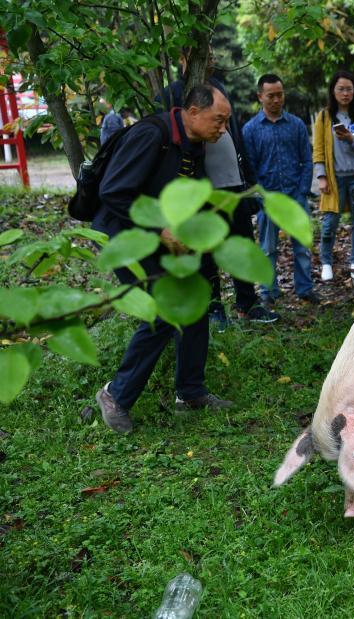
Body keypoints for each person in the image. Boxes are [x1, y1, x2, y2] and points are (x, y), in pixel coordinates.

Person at [92, 85, 236, 434]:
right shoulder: (149, 135)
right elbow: (112, 192)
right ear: (193, 112)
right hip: (124, 235)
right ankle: (115, 396)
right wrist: (160, 231)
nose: (224, 129)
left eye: (227, 122)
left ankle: (190, 392)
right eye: (219, 120)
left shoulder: (194, 143)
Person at [160, 47, 278, 329]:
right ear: (182, 59)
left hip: (233, 185)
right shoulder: (172, 94)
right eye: (204, 55)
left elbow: (235, 136)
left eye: (212, 56)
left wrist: (248, 178)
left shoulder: (218, 88)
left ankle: (247, 302)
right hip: (201, 189)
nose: (210, 60)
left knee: (242, 243)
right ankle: (213, 305)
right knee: (206, 248)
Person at [242, 74, 321, 304]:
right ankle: (268, 292)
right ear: (260, 97)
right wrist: (261, 196)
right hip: (268, 199)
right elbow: (250, 167)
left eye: (280, 94)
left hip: (295, 197)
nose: (277, 100)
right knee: (267, 249)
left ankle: (305, 289)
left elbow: (306, 160)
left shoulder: (295, 125)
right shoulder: (251, 130)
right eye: (271, 96)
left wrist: (302, 189)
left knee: (302, 247)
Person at [313, 71, 354, 281]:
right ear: (333, 91)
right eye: (341, 89)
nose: (345, 93)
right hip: (335, 179)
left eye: (349, 89)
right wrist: (321, 176)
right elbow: (319, 150)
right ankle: (326, 263)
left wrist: (352, 139)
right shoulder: (324, 117)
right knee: (330, 221)